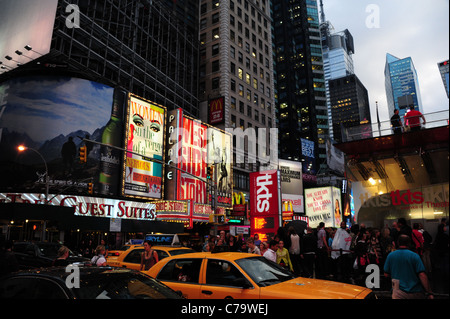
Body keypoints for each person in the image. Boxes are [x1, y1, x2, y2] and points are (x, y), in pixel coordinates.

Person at [384, 235, 433, 299]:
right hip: (415, 291)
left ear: (398, 243)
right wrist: (429, 292)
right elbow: (422, 274)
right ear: (409, 243)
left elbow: (386, 274)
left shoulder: (391, 256)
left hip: (398, 291)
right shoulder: (414, 256)